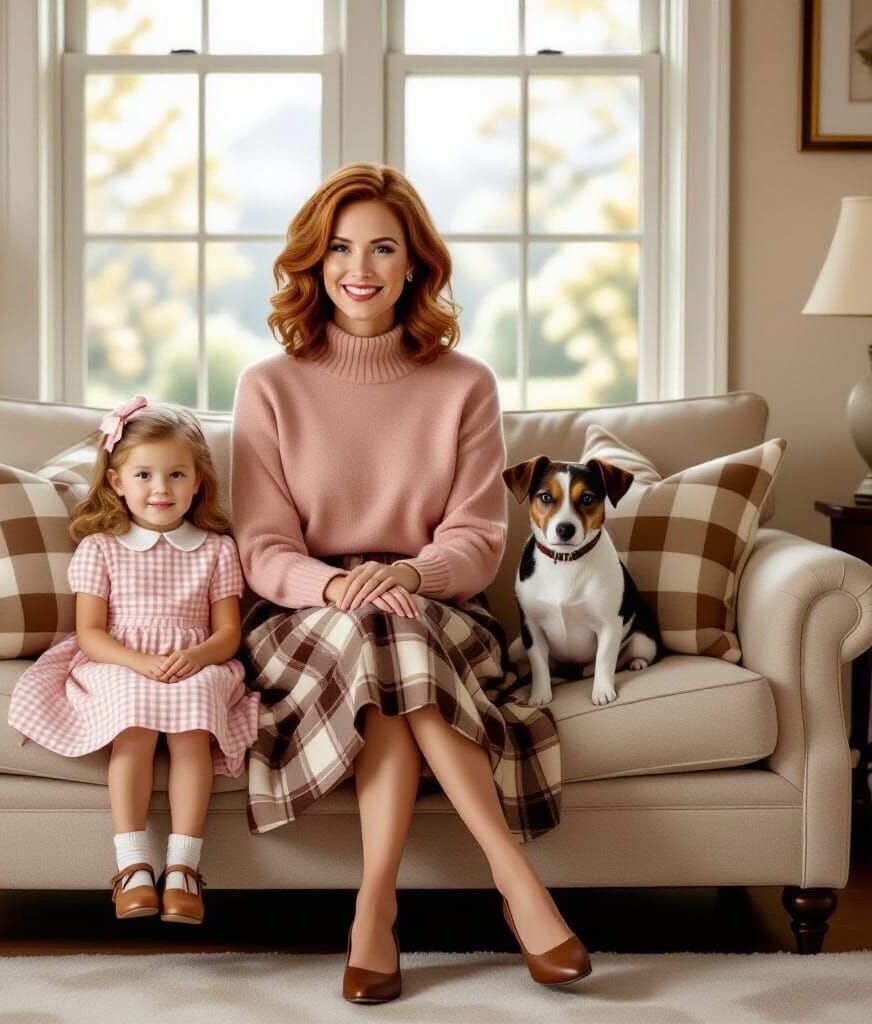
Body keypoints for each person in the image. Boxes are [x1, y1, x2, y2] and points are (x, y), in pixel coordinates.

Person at [230, 163, 590, 1004]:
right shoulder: (268, 387)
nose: (360, 267)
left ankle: (375, 910)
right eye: (340, 248)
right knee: (377, 633)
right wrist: (336, 588)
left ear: (415, 264)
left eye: (383, 248)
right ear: (314, 264)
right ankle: (517, 883)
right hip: (304, 616)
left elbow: (478, 538)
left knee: (393, 635)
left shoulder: (466, 385)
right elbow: (265, 547)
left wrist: (409, 573)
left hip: (436, 611)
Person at [8, 398, 258, 924]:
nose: (161, 488)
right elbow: (91, 635)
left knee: (193, 726)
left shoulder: (217, 550)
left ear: (197, 483)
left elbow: (228, 633)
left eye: (175, 474)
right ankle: (134, 867)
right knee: (135, 726)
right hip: (120, 659)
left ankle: (184, 869)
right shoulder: (101, 547)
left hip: (196, 660)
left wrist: (194, 656)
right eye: (144, 474)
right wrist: (140, 663)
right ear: (118, 482)